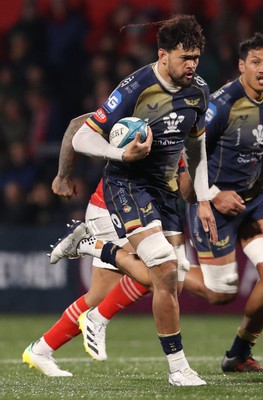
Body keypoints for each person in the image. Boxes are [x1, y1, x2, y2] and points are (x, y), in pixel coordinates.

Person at [47, 15, 217, 386]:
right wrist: (120, 154)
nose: (191, 65)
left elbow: (197, 147)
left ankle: (93, 245)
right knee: (165, 269)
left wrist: (202, 199)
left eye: (196, 58)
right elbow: (82, 135)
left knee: (166, 280)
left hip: (165, 191)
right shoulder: (136, 86)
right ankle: (178, 369)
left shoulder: (199, 91)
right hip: (127, 183)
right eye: (185, 57)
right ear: (163, 55)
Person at [184, 32, 263, 373]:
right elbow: (190, 155)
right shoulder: (222, 104)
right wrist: (212, 195)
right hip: (213, 201)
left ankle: (239, 353)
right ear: (241, 66)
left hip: (253, 199)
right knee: (222, 294)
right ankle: (162, 267)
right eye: (257, 62)